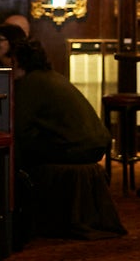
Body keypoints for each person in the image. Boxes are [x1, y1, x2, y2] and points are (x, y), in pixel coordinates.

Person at [10, 38, 126, 239]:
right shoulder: (51, 77)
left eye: (11, 62)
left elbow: (19, 127)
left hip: (79, 147)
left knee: (20, 151)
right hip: (95, 143)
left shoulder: (31, 83)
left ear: (18, 62)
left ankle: (18, 216)